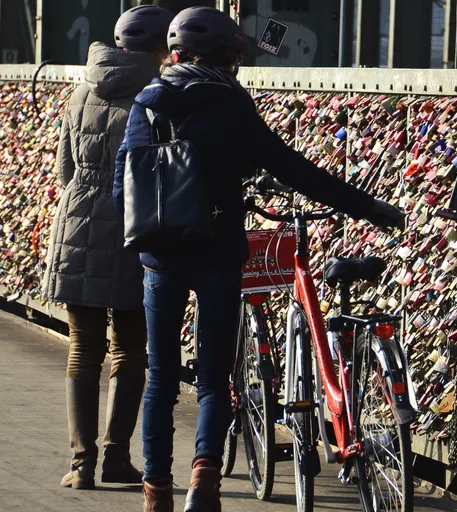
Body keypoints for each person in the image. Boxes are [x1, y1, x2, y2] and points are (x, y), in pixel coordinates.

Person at [111, 7, 404, 512]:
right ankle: (204, 482)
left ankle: (156, 492)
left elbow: (123, 187)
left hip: (160, 258)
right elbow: (296, 170)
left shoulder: (148, 102)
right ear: (225, 56)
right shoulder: (232, 105)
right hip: (219, 254)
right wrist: (368, 207)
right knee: (213, 378)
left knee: (159, 376)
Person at [42, 5, 174, 491]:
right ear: (162, 47)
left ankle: (81, 467)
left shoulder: (80, 92)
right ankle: (118, 459)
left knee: (82, 352)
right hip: (136, 230)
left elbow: (64, 174)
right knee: (130, 352)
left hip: (76, 229)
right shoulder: (160, 95)